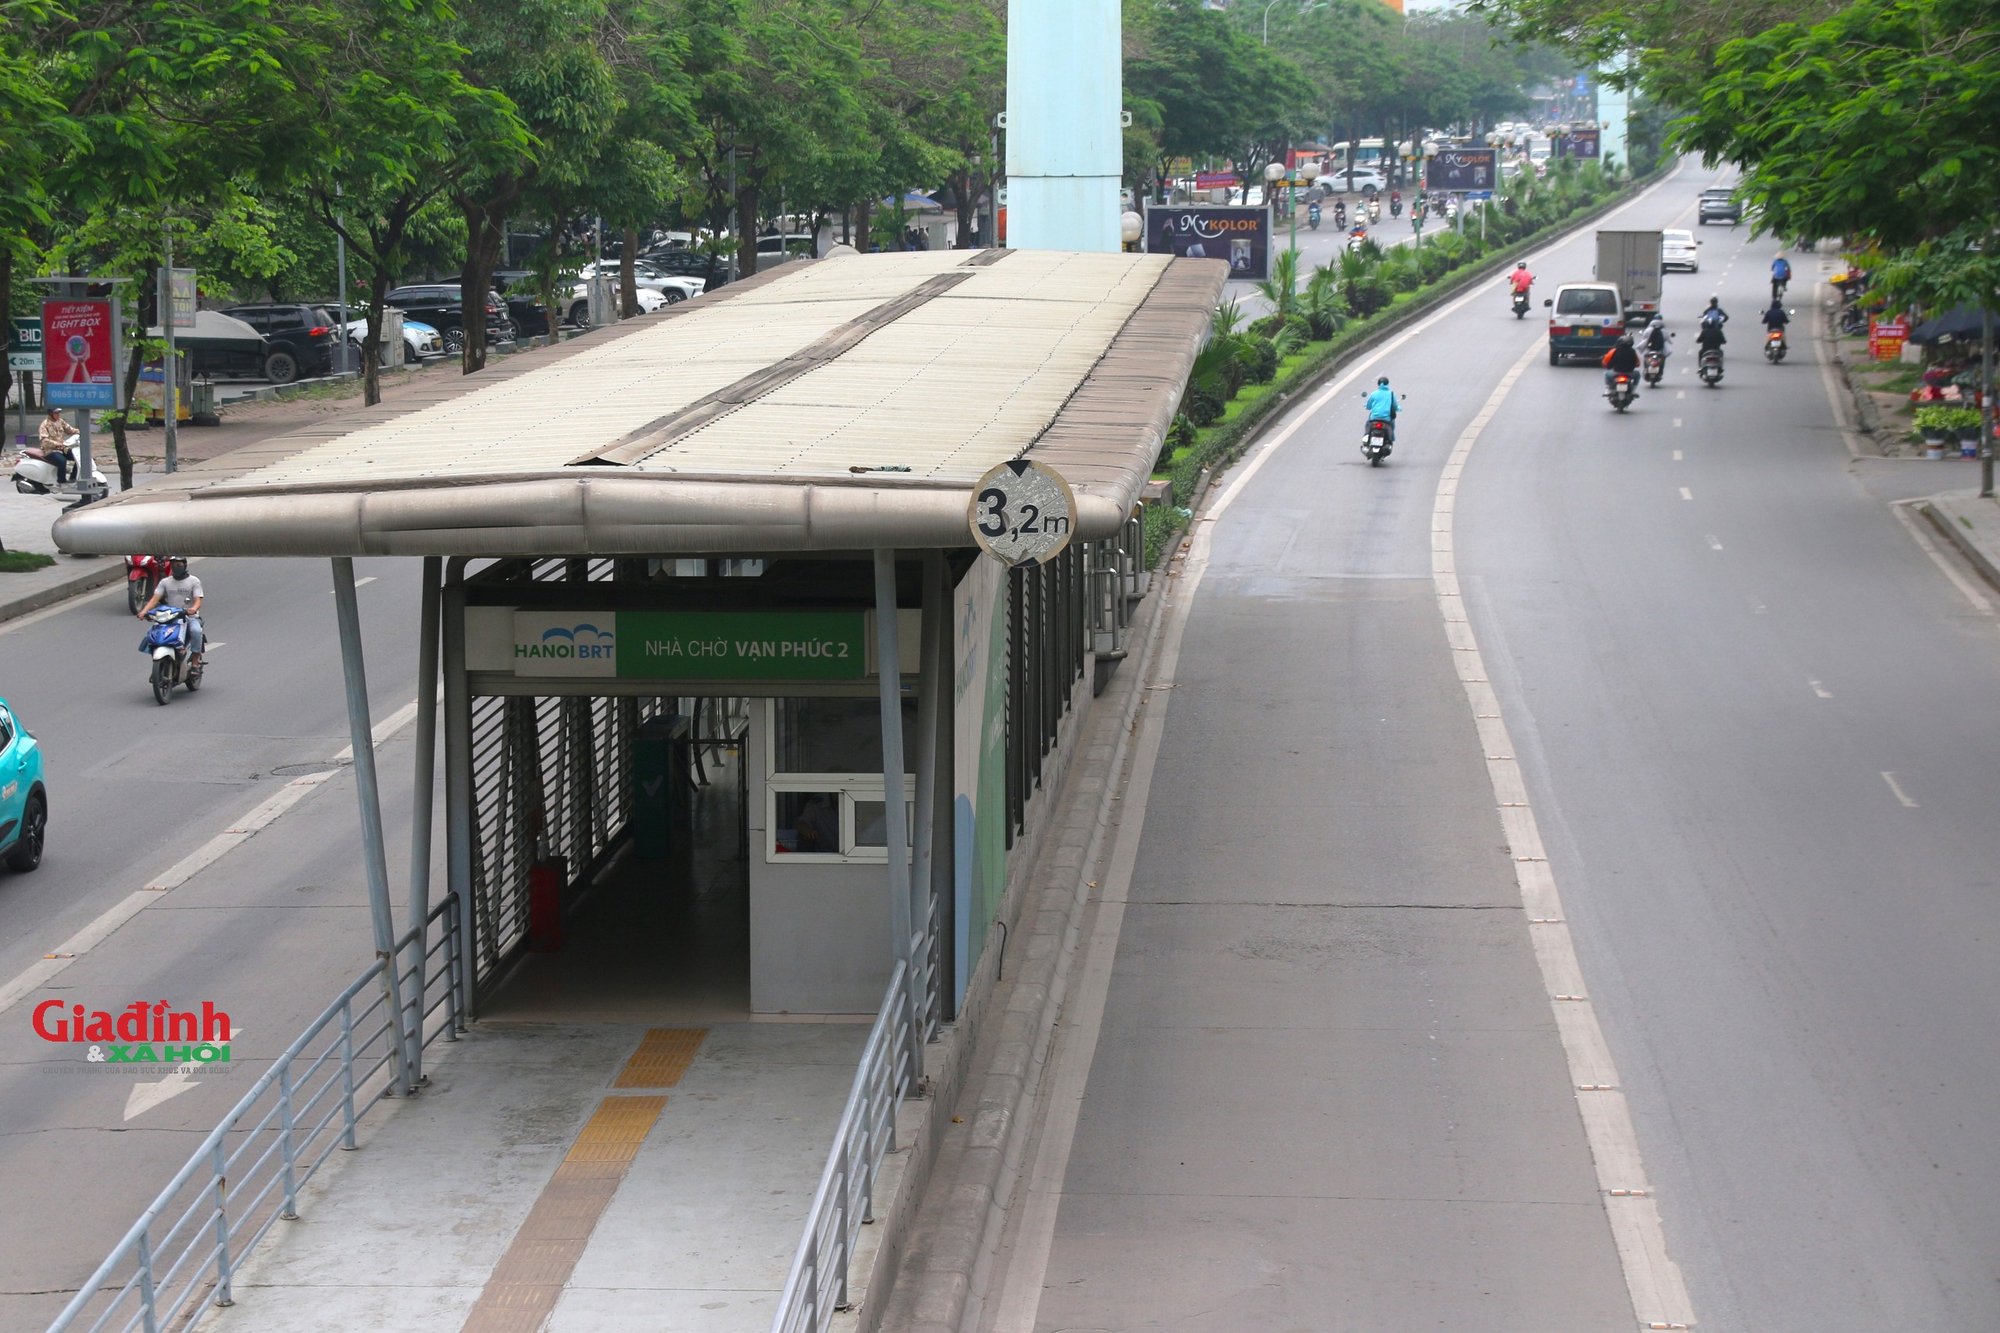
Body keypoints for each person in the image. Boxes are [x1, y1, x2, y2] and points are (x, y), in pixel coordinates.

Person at [139, 556, 204, 666]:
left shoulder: (194, 581)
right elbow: (155, 598)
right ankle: (157, 662)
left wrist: (193, 609)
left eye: (179, 565)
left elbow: (198, 600)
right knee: (152, 633)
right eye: (173, 565)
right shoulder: (165, 582)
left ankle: (195, 662)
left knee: (196, 631)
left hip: (188, 617)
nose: (176, 567)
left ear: (185, 566)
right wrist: (144, 611)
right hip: (170, 616)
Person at [36, 408, 72, 483]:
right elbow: (44, 440)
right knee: (62, 461)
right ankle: (61, 481)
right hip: (50, 450)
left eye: (59, 413)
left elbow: (69, 429)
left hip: (63, 448)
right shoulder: (45, 425)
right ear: (51, 414)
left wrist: (80, 431)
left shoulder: (60, 421)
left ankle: (73, 478)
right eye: (56, 413)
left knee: (78, 456)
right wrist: (55, 443)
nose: (58, 415)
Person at [1365, 375, 1399, 444]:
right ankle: (1391, 438)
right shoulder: (1391, 394)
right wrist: (1398, 408)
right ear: (1387, 384)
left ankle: (1366, 436)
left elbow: (1368, 406)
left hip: (1374, 418)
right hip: (1386, 419)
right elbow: (1395, 406)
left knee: (1367, 424)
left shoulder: (1373, 394)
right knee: (1392, 425)